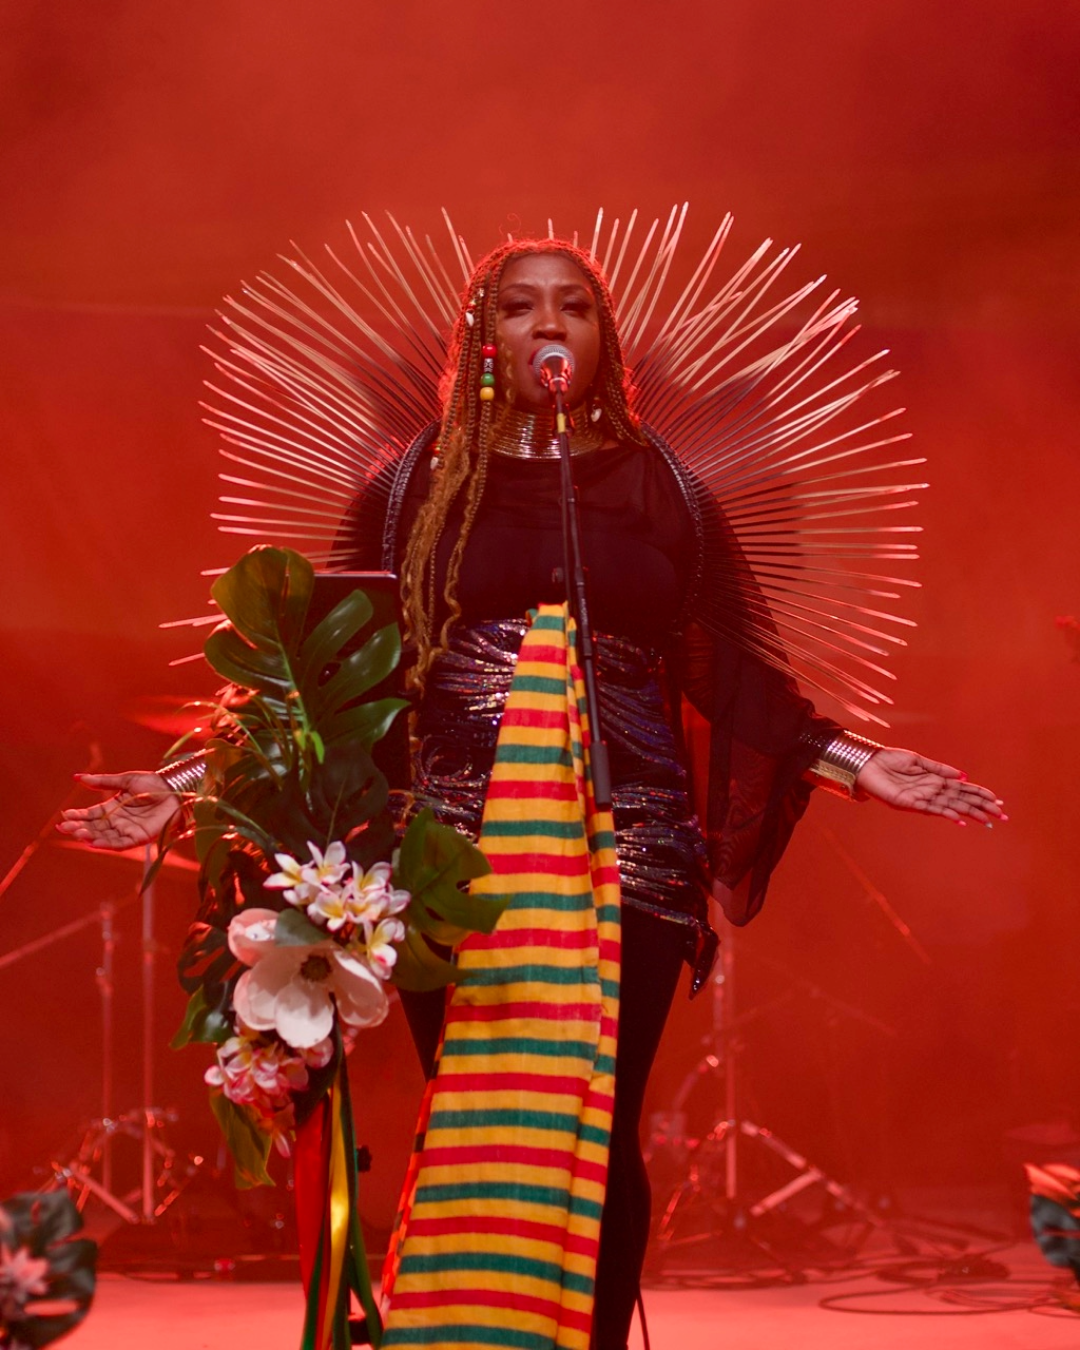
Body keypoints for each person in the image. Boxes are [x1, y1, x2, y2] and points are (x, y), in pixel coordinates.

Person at [59, 237, 1005, 1349]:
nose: (548, 325)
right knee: (473, 1114)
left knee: (598, 1131)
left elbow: (731, 670)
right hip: (447, 856)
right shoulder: (410, 486)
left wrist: (853, 763)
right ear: (484, 336)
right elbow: (324, 674)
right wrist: (182, 786)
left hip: (631, 850)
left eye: (575, 307)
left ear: (603, 341)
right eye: (519, 306)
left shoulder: (670, 490)